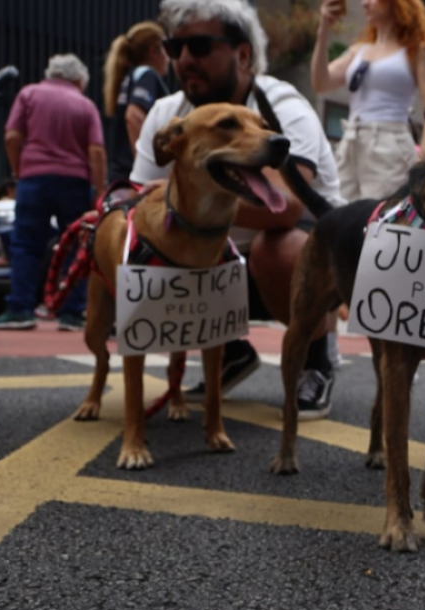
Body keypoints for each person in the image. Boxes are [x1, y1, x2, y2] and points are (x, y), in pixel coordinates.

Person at [132, 0, 345, 419]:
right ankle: (229, 352)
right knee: (138, 253)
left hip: (300, 266)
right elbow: (140, 204)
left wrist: (181, 200)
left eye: (200, 46)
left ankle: (316, 359)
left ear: (243, 54)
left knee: (277, 247)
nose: (185, 60)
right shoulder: (166, 113)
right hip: (219, 265)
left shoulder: (283, 107)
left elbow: (285, 207)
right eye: (176, 49)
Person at [0, 54, 104, 331]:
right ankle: (72, 312)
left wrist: (20, 170)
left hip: (34, 178)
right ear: (78, 80)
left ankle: (20, 308)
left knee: (26, 244)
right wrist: (98, 190)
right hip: (75, 181)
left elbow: (12, 136)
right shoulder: (86, 105)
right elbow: (96, 151)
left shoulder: (29, 94)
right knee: (78, 245)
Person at [311, 0, 425, 202]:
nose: (364, 4)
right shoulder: (359, 50)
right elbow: (321, 83)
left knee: (376, 220)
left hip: (390, 147)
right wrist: (323, 30)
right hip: (351, 142)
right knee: (339, 216)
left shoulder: (417, 51)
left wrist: (424, 158)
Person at [103, 20, 171, 183]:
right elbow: (134, 116)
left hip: (119, 175)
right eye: (166, 49)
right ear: (154, 50)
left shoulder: (131, 76)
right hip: (131, 178)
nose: (169, 58)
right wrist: (146, 169)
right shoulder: (147, 74)